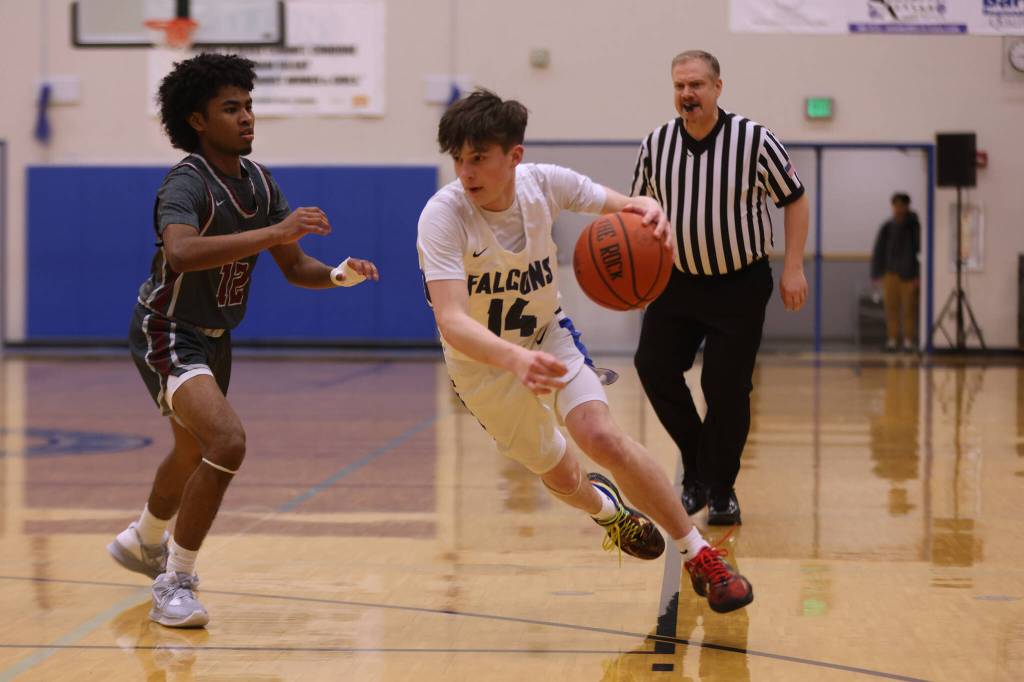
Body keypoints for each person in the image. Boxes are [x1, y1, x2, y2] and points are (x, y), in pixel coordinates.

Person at [417, 89, 753, 613]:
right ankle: (607, 513)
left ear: (514, 156)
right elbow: (452, 319)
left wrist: (652, 212)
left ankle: (700, 555)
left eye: (478, 157)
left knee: (602, 436)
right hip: (484, 368)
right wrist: (513, 360)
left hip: (548, 336)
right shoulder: (443, 217)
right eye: (458, 159)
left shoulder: (544, 184)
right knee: (561, 472)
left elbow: (629, 203)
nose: (466, 171)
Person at [107, 53, 379, 628]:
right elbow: (180, 252)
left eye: (249, 105)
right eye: (231, 108)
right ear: (198, 121)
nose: (247, 117)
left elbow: (295, 265)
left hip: (215, 337)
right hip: (168, 329)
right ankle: (175, 579)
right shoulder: (186, 183)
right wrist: (275, 232)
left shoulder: (259, 182)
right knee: (226, 441)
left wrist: (337, 274)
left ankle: (143, 540)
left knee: (191, 449)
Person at [630, 51, 809, 525]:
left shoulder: (755, 140)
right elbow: (641, 214)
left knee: (725, 387)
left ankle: (721, 489)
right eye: (679, 86)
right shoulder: (656, 144)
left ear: (718, 88)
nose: (687, 94)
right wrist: (641, 277)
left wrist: (793, 267)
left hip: (739, 285)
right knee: (652, 365)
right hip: (677, 281)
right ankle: (698, 469)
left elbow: (794, 199)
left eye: (696, 85)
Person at [871, 192, 920, 352]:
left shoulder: (914, 227)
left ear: (907, 207)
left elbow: (919, 252)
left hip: (909, 275)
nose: (898, 209)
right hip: (890, 273)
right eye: (895, 205)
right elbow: (879, 250)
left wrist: (918, 275)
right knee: (891, 307)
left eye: (901, 205)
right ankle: (892, 339)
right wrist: (876, 273)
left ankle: (908, 340)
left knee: (909, 308)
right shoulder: (887, 227)